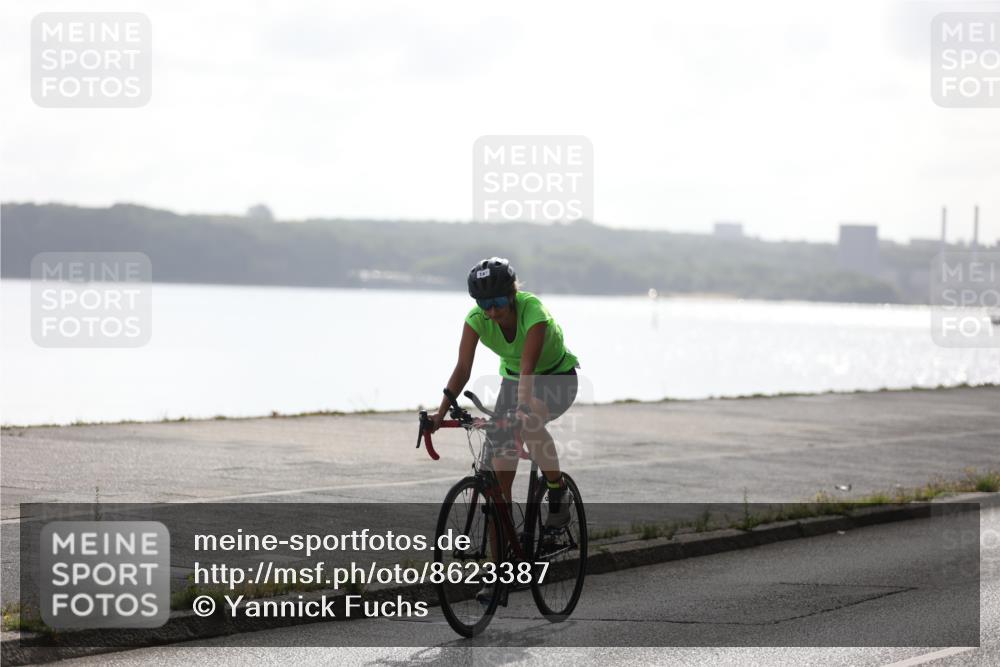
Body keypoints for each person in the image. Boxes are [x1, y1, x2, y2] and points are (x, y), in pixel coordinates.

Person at [428, 257, 579, 529]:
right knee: (498, 488)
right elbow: (462, 368)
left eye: (497, 302)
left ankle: (557, 488)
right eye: (484, 304)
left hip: (556, 378)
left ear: (512, 294)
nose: (493, 311)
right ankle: (503, 563)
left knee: (529, 421)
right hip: (513, 380)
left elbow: (527, 365)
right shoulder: (476, 320)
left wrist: (522, 408)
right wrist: (440, 413)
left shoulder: (533, 311)